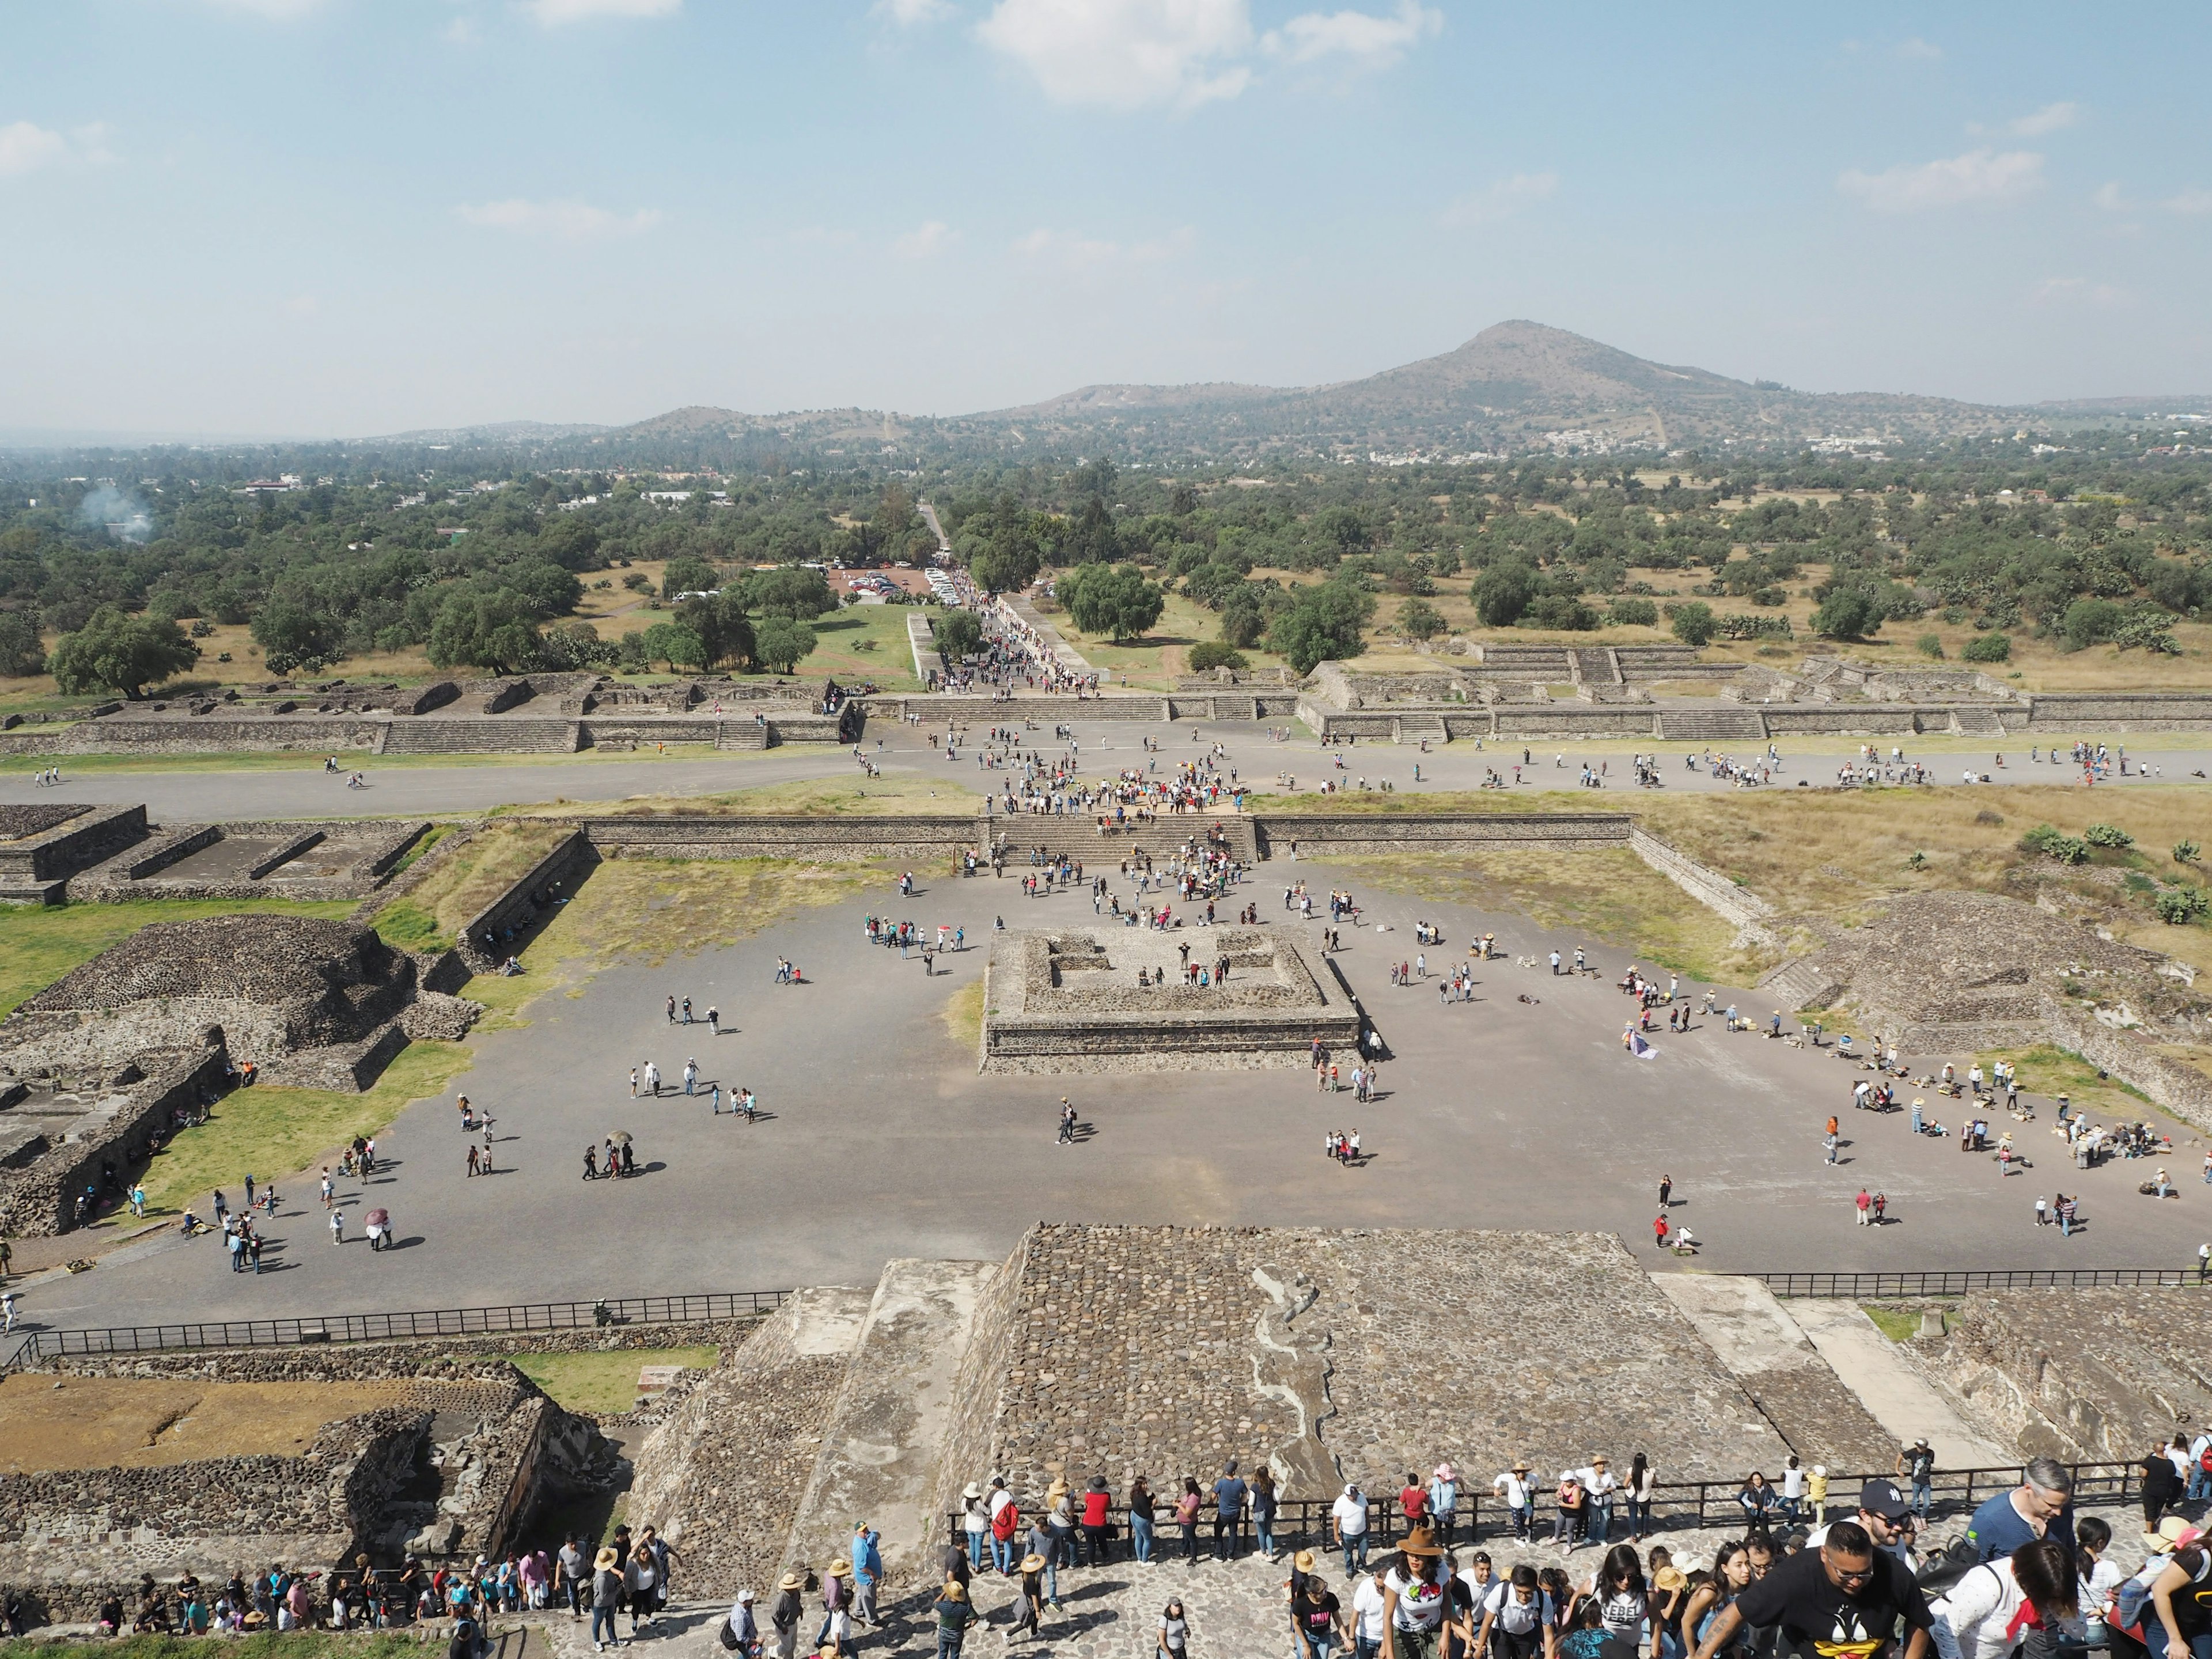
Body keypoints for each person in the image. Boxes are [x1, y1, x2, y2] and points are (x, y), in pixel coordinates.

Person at [1689, 1521, 1934, 1659]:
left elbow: (1919, 1621)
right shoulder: (1795, 1576)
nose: (1856, 1582)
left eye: (1864, 1573)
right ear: (1824, 1555)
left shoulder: (1894, 1573)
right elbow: (1736, 1611)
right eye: (1845, 1574)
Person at [1929, 1537, 2080, 1659]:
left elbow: (2078, 1631)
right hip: (1943, 1651)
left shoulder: (2049, 1591)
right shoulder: (1987, 1585)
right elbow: (1946, 1631)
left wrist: (2063, 1607)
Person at [1965, 1459, 2078, 1581]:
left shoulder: (2064, 1510)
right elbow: (1972, 1571)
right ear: (2028, 1489)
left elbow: (2069, 1551)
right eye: (2051, 1505)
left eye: (2062, 1504)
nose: (2058, 1512)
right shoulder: (1989, 1519)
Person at [1381, 1525, 1450, 1659]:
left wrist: (1446, 1636)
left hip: (1434, 1630)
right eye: (1411, 1554)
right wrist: (1389, 1653)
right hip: (1404, 1633)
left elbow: (1447, 1601)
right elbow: (1387, 1617)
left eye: (1420, 1555)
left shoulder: (1441, 1570)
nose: (1415, 1559)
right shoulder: (1395, 1576)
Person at [1299, 1573, 1348, 1658]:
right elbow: (1296, 1624)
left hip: (1324, 1636)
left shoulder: (1331, 1599)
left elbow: (1337, 1618)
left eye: (1325, 1588)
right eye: (1322, 1591)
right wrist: (1305, 1645)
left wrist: (1346, 1638)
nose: (1325, 1593)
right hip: (1306, 1636)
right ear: (1312, 1594)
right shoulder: (1301, 1603)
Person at [1334, 1483, 1372, 1576]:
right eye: (1352, 1496)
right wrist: (1336, 1534)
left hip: (1362, 1531)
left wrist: (1368, 1521)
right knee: (1348, 1552)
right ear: (1347, 1495)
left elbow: (1366, 1508)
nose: (1355, 1498)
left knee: (1364, 1549)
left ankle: (1361, 1566)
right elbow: (1336, 1519)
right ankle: (1350, 1570)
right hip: (1347, 1533)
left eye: (1355, 1495)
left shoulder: (1362, 1497)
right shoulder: (1340, 1502)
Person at [930, 1580, 974, 1659]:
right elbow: (975, 1619)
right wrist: (967, 1627)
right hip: (957, 1636)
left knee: (943, 1654)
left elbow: (935, 1603)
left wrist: (944, 1593)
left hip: (943, 1635)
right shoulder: (966, 1607)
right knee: (955, 1655)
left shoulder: (943, 1606)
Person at [1899, 1441, 1936, 1522]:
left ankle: (1923, 1516)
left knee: (1927, 1503)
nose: (1918, 1448)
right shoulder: (1913, 1452)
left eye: (1920, 1447)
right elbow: (1900, 1455)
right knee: (1915, 1500)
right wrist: (1897, 1470)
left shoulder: (1931, 1453)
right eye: (1918, 1446)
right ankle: (1916, 1516)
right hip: (1916, 1481)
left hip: (1926, 1482)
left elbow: (1929, 1464)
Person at [1160, 1595, 1191, 1659]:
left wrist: (1188, 1633)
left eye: (1179, 1606)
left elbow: (1186, 1629)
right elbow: (1161, 1640)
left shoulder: (1181, 1618)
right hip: (1170, 1651)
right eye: (1176, 1606)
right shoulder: (1165, 1620)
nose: (1178, 1608)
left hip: (1181, 1651)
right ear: (1170, 1607)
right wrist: (1169, 1655)